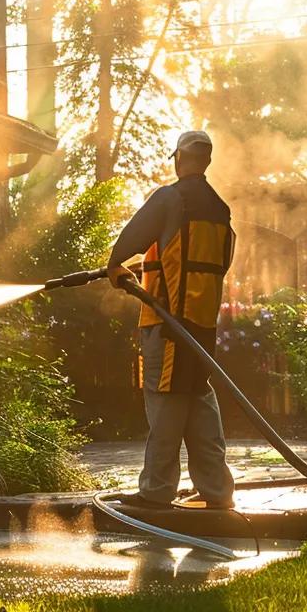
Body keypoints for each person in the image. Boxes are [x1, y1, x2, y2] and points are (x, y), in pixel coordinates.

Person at [105, 130, 237, 511]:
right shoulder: (220, 208)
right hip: (201, 325)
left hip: (167, 324)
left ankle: (156, 491)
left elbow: (132, 236)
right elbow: (218, 262)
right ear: (207, 161)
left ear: (179, 158)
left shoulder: (170, 198)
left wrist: (116, 265)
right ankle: (216, 490)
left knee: (166, 401)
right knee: (197, 397)